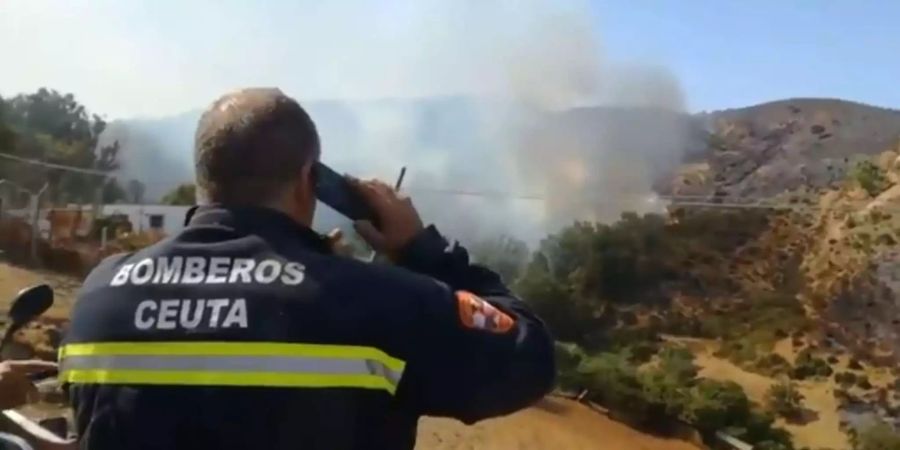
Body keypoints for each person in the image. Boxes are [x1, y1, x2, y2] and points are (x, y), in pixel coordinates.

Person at [60, 88, 555, 450]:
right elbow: (528, 356)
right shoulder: (375, 301)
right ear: (309, 181)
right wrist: (423, 250)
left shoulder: (99, 297)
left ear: (203, 180)